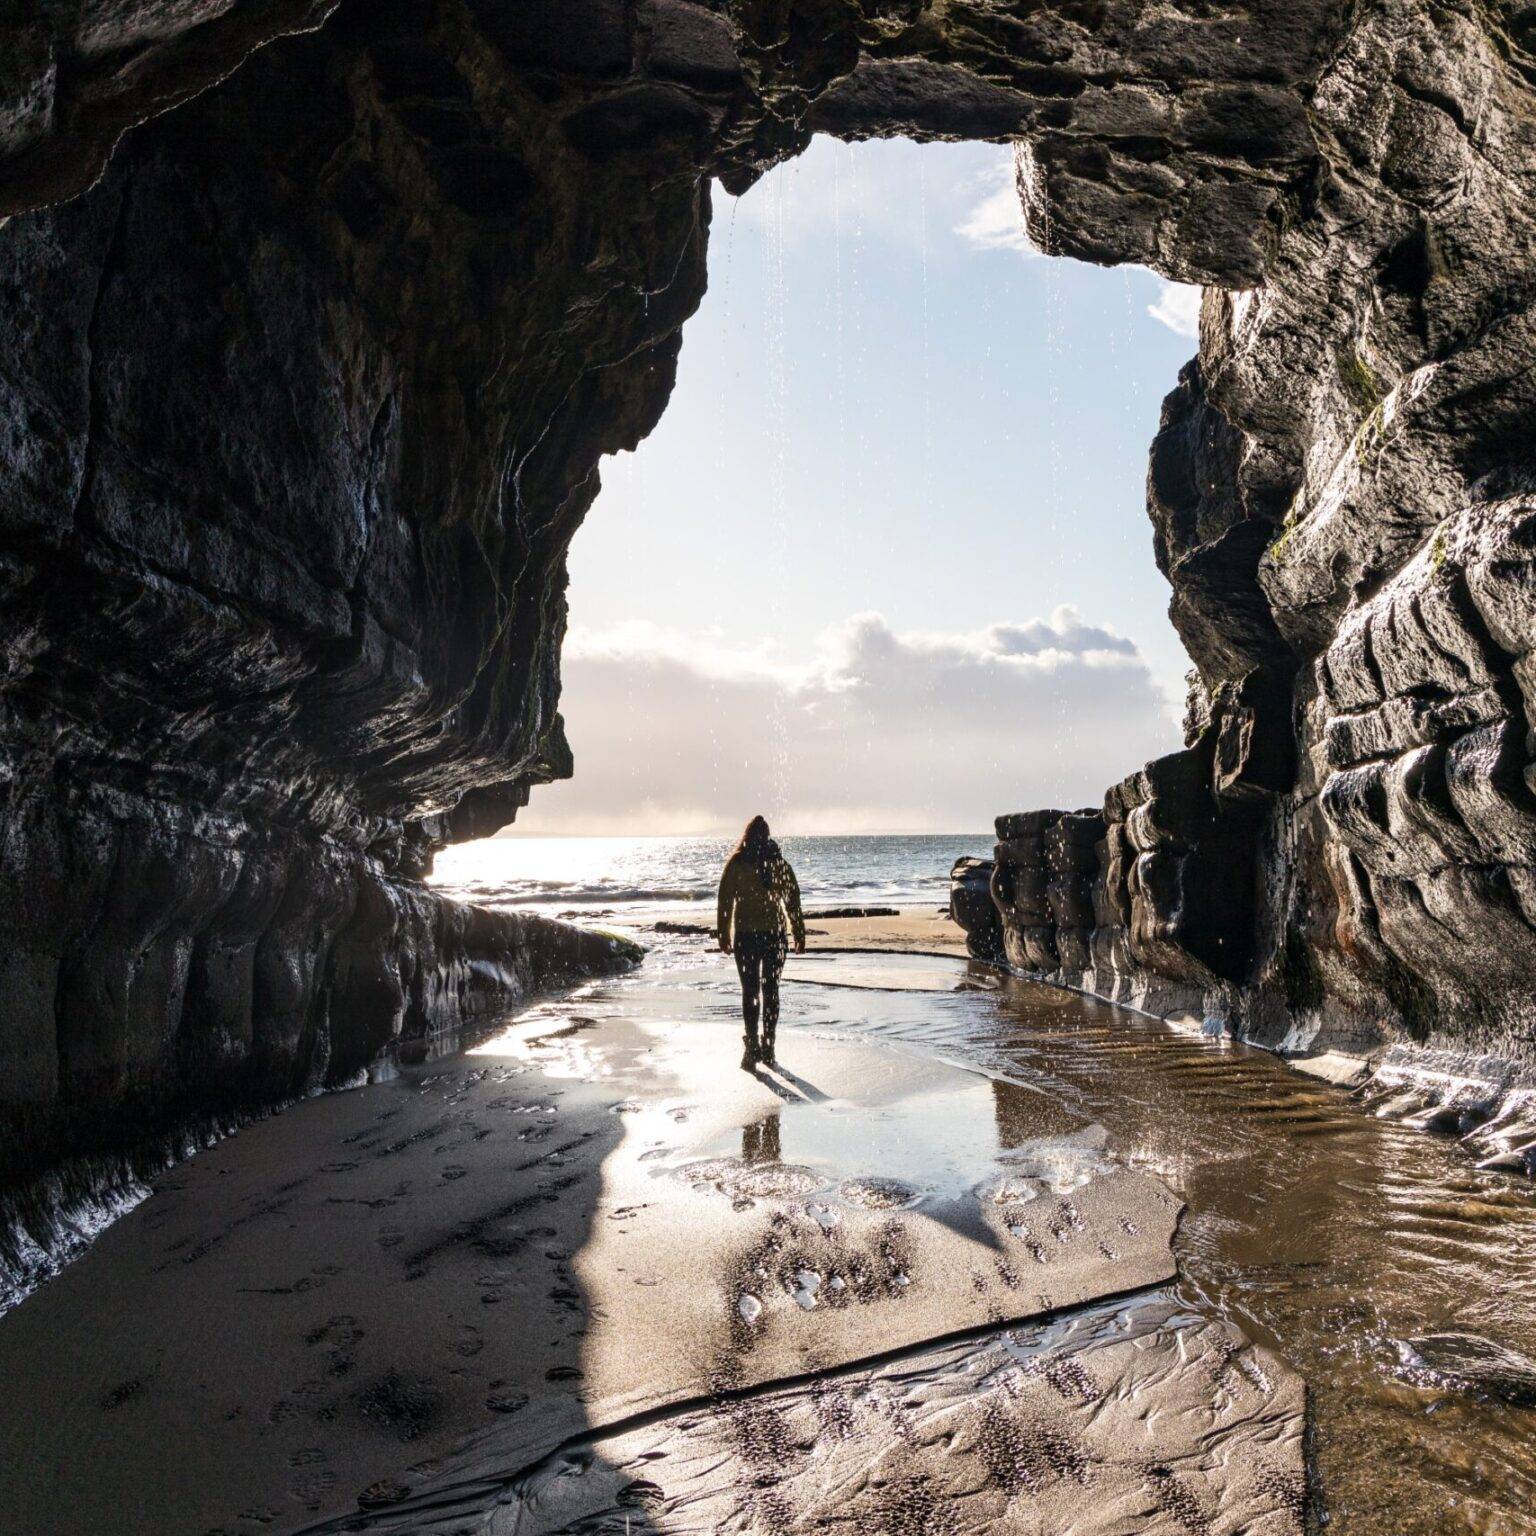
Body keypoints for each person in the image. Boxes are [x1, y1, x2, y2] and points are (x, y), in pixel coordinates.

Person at [716, 816, 805, 1069]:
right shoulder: (780, 863)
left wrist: (723, 933)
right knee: (772, 991)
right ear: (767, 836)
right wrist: (799, 934)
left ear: (746, 835)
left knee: (750, 992)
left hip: (746, 937)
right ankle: (769, 1046)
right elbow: (793, 903)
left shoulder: (737, 863)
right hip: (775, 937)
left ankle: (752, 1046)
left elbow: (725, 901)